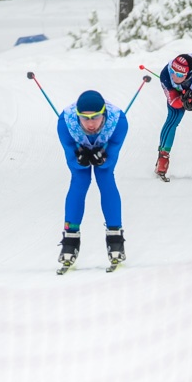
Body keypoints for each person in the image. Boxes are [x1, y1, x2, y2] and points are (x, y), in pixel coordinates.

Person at [56, 89, 129, 269]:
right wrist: (79, 159)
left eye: (95, 117)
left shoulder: (118, 122)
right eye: (85, 118)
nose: (90, 124)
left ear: (103, 113)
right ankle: (70, 239)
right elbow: (72, 159)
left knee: (105, 178)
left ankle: (115, 237)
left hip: (104, 147)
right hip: (79, 145)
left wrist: (103, 158)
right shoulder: (65, 123)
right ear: (77, 116)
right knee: (80, 180)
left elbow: (111, 156)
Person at [155, 53, 192, 180]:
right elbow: (172, 100)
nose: (174, 76)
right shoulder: (166, 73)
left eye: (179, 75)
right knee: (173, 117)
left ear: (188, 75)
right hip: (178, 93)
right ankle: (162, 157)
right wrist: (182, 101)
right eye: (173, 71)